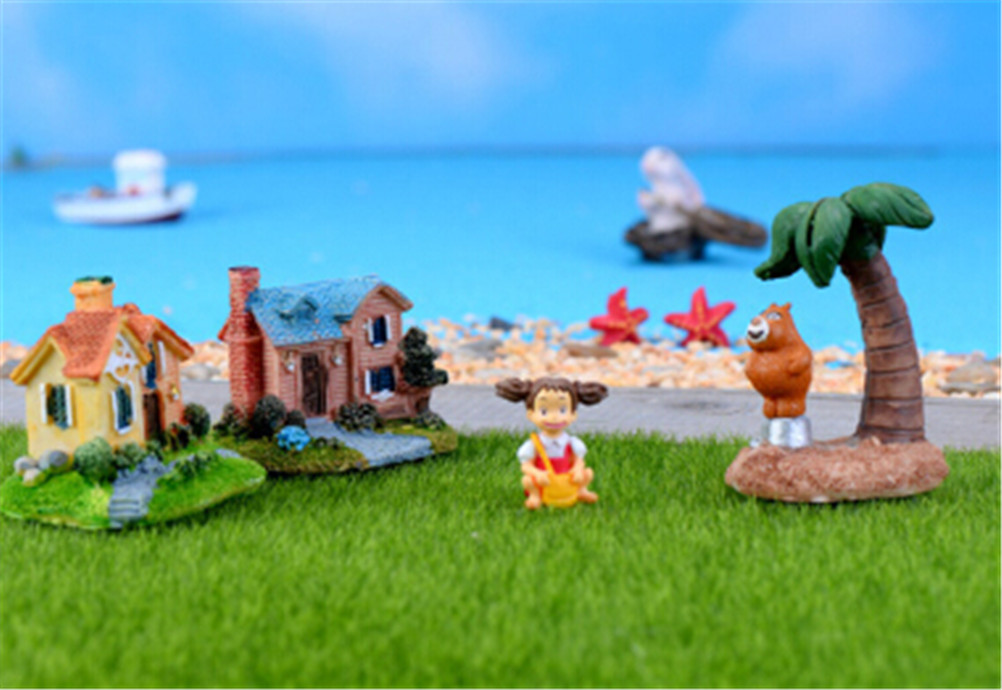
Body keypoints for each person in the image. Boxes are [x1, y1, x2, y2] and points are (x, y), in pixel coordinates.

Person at [495, 377, 609, 509]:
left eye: (562, 410)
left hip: (567, 479)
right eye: (544, 411)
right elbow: (526, 466)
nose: (554, 417)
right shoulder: (534, 444)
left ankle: (581, 490)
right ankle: (535, 496)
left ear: (573, 415)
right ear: (531, 414)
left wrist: (577, 469)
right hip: (544, 481)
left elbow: (578, 460)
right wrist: (537, 473)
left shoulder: (572, 442)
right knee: (527, 480)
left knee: (587, 473)